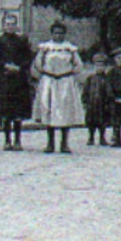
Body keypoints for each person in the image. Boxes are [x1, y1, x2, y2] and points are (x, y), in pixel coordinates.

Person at [31, 21, 84, 153]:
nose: (58, 36)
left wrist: (68, 73)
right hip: (49, 81)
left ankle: (64, 143)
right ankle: (50, 143)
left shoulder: (70, 49)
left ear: (64, 34)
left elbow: (78, 65)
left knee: (65, 111)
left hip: (65, 82)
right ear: (51, 34)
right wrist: (46, 73)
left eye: (61, 33)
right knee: (49, 109)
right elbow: (38, 63)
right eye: (55, 33)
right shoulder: (45, 48)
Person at [0, 11, 36, 151]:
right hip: (4, 80)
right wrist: (4, 66)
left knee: (18, 112)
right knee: (6, 111)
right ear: (3, 26)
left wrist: (19, 67)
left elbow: (28, 58)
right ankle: (7, 140)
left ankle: (17, 140)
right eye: (7, 24)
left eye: (12, 24)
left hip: (18, 80)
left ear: (16, 26)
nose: (10, 27)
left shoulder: (22, 40)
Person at [81, 48, 112, 147]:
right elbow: (85, 90)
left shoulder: (107, 78)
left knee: (103, 121)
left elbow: (109, 91)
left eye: (102, 66)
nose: (99, 68)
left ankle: (102, 137)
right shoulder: (90, 78)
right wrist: (84, 101)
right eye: (97, 65)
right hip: (92, 104)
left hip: (102, 104)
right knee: (91, 121)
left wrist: (108, 101)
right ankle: (91, 137)